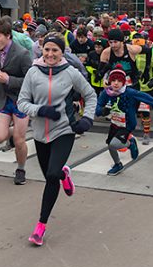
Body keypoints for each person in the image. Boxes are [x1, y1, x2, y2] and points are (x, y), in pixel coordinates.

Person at [17, 34, 97, 247]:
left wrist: (87, 119)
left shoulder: (71, 73)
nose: (50, 54)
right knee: (51, 175)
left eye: (55, 50)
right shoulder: (33, 73)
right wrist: (40, 110)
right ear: (42, 50)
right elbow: (22, 102)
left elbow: (90, 95)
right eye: (47, 50)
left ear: (63, 52)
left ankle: (40, 227)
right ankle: (64, 173)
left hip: (64, 130)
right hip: (40, 134)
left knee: (51, 176)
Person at [0, 17, 33, 184]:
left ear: (8, 35)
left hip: (20, 100)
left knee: (19, 140)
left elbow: (30, 80)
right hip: (1, 98)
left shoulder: (22, 53)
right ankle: (12, 133)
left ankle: (21, 169)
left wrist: (9, 79)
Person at [95, 65, 153, 175]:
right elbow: (97, 107)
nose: (116, 83)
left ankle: (130, 144)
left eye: (119, 81)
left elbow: (147, 98)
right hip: (115, 123)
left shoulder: (130, 92)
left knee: (114, 144)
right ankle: (118, 165)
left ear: (124, 82)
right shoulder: (106, 93)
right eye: (113, 80)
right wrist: (102, 111)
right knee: (110, 145)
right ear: (109, 81)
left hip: (127, 124)